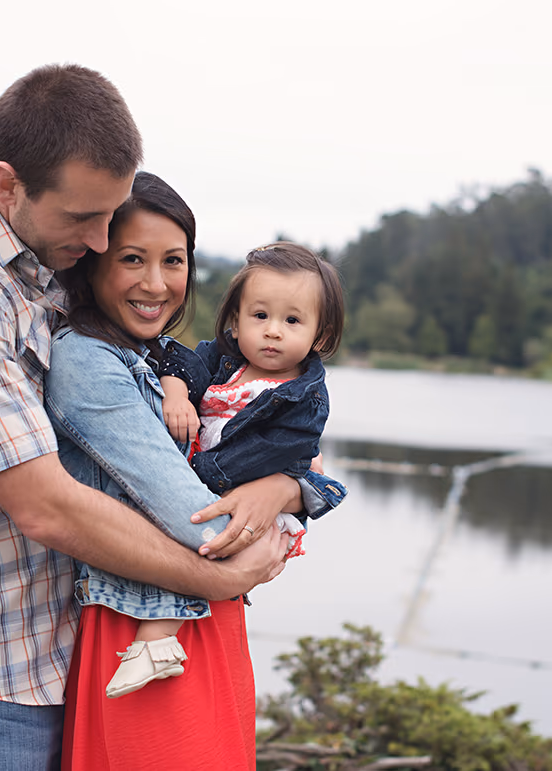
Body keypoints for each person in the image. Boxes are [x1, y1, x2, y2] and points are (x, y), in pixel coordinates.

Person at [0, 64, 293, 771]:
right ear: (5, 183)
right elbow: (48, 507)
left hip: (69, 655)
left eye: (108, 216)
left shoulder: (37, 263)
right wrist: (216, 576)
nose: (96, 242)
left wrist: (288, 482)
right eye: (83, 218)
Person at [45, 174, 346, 769]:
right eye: (132, 258)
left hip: (201, 609)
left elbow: (284, 461)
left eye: (174, 260)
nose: (156, 282)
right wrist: (280, 512)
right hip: (146, 616)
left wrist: (285, 488)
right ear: (92, 262)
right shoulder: (88, 358)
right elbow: (200, 517)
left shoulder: (154, 358)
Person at [96, 241, 347, 699]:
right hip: (208, 481)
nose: (272, 332)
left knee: (202, 539)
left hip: (243, 493)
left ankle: (157, 641)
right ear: (236, 319)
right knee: (184, 533)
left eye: (292, 321)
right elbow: (174, 359)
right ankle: (159, 637)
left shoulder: (304, 399)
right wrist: (174, 394)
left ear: (320, 336)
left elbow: (270, 454)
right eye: (259, 316)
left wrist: (192, 474)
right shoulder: (224, 361)